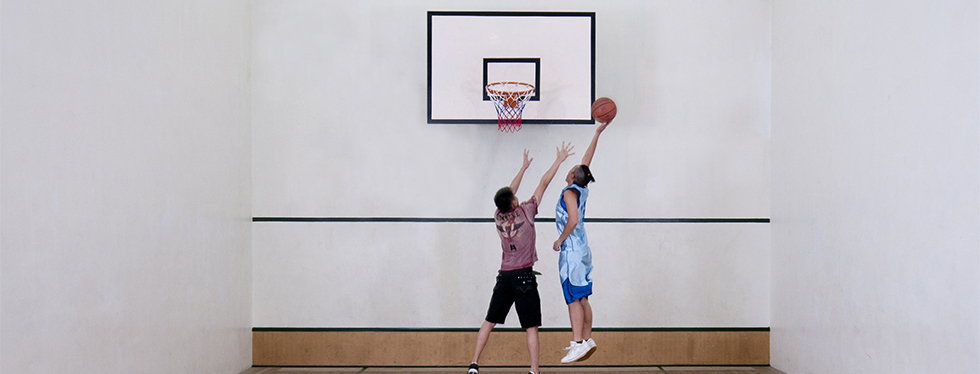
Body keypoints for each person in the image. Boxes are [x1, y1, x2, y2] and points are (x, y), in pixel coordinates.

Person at [468, 143, 575, 374]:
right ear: (514, 202)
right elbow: (543, 183)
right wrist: (559, 160)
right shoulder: (526, 210)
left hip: (504, 276)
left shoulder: (497, 216)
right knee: (531, 328)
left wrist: (523, 168)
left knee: (489, 321)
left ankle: (474, 364)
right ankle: (534, 371)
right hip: (524, 278)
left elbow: (507, 192)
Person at [552, 121, 610, 364]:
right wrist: (596, 133)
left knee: (573, 298)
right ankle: (587, 340)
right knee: (583, 297)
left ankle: (577, 343)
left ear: (572, 176)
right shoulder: (581, 188)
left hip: (572, 250)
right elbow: (586, 162)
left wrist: (559, 240)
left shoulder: (569, 192)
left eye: (572, 168)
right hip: (584, 250)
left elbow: (573, 220)